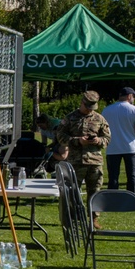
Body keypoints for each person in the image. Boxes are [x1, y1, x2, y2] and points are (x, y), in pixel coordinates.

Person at [54, 90, 111, 229]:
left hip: (94, 162)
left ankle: (94, 218)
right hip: (75, 161)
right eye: (87, 106)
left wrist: (98, 140)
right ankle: (71, 219)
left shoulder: (99, 119)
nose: (90, 110)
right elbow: (60, 137)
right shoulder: (70, 118)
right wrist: (78, 141)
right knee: (72, 191)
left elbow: (107, 138)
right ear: (82, 103)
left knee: (95, 191)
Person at [101, 87, 135, 192]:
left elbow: (101, 128)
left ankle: (113, 197)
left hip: (112, 147)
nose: (133, 98)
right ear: (129, 96)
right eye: (133, 96)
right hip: (131, 147)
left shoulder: (107, 110)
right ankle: (131, 197)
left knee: (113, 176)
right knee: (132, 175)